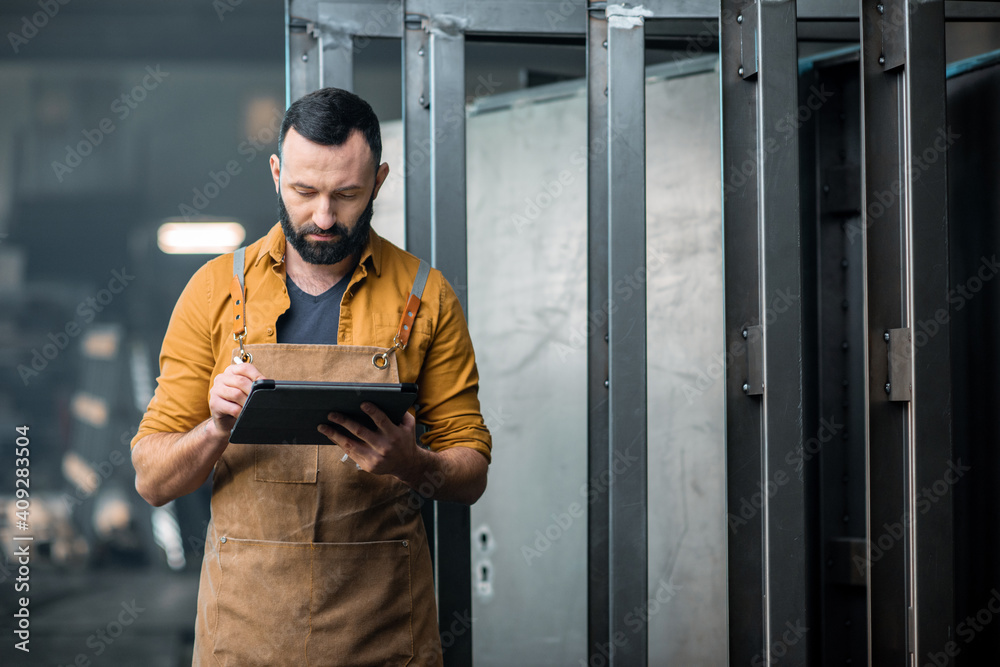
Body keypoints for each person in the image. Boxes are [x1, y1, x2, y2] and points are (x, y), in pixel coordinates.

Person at [130, 87, 492, 666]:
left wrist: (413, 463)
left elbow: (471, 472)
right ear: (276, 173)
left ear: (378, 180)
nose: (323, 217)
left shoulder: (426, 296)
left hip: (384, 635)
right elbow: (152, 480)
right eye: (304, 191)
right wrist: (215, 429)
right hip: (246, 637)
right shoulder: (213, 292)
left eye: (346, 194)